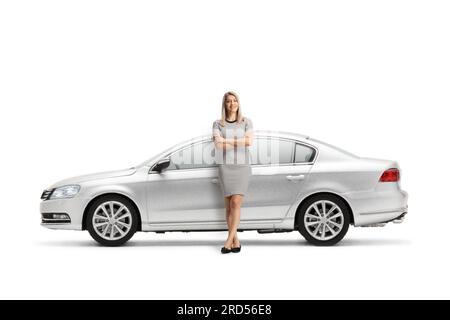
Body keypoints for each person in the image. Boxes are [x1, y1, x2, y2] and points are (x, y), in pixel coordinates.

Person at [212, 91, 253, 254]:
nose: (232, 104)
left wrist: (227, 140)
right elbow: (219, 145)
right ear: (225, 104)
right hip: (225, 167)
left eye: (234, 100)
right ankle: (236, 240)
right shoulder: (217, 123)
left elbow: (249, 141)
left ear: (238, 103)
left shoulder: (246, 122)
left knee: (236, 202)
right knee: (228, 206)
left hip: (242, 167)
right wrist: (238, 142)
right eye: (228, 101)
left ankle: (228, 241)